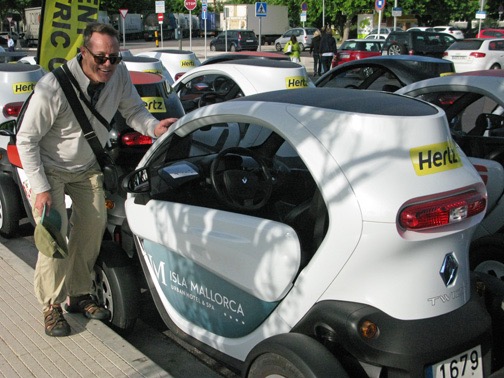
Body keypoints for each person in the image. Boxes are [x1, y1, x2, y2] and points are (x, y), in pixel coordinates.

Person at [16, 22, 177, 337]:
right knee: (54, 237)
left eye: (114, 58)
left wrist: (155, 127)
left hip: (86, 166)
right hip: (50, 169)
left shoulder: (118, 74)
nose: (108, 65)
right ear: (83, 51)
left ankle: (78, 293)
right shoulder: (53, 87)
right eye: (101, 58)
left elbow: (134, 112)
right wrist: (41, 188)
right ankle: (52, 306)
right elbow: (26, 140)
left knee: (92, 228)